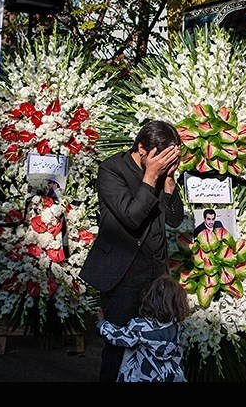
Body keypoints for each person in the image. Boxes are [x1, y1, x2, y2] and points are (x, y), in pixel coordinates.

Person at [79, 120, 184, 382]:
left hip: (155, 276)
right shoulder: (112, 169)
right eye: (161, 158)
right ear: (141, 149)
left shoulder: (162, 173)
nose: (163, 164)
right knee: (117, 349)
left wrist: (169, 182)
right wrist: (151, 177)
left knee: (154, 346)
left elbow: (174, 220)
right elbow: (132, 218)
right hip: (122, 274)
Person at [96, 273, 189, 382]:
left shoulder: (140, 326)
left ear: (150, 300)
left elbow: (118, 336)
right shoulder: (177, 326)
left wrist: (102, 324)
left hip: (142, 377)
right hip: (169, 376)